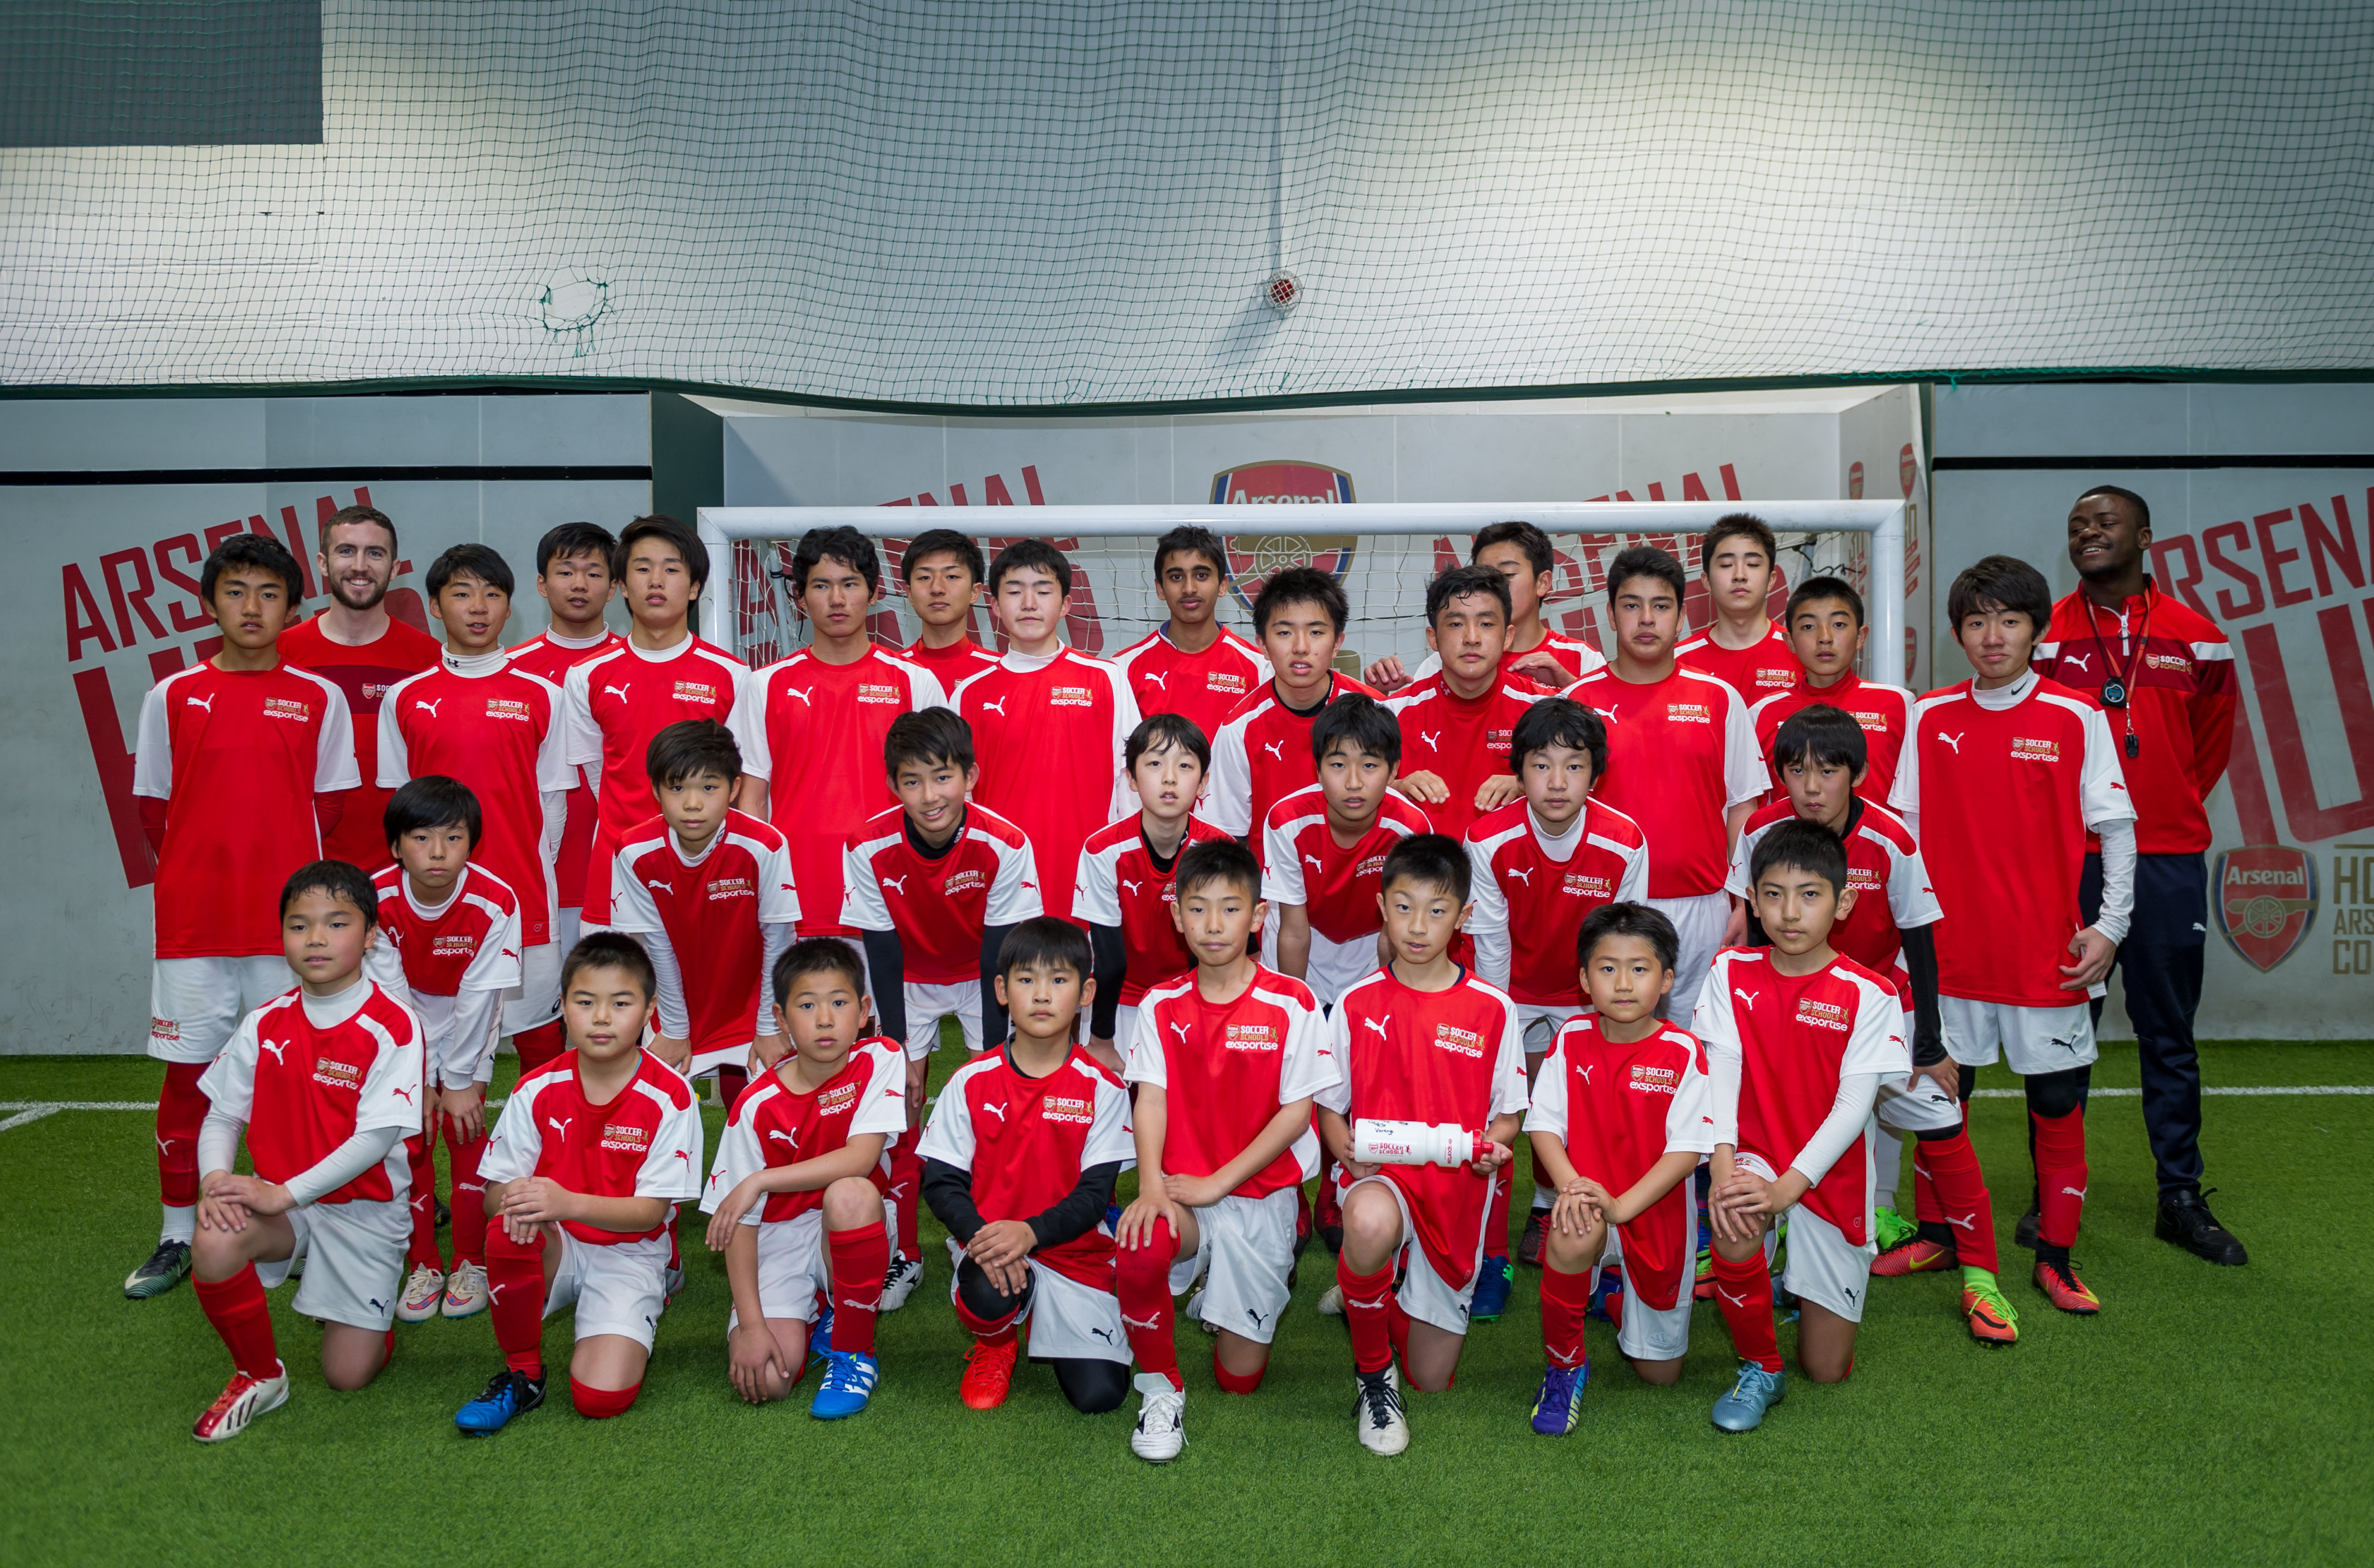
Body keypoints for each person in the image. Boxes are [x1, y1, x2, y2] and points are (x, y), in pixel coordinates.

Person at [1894, 555, 2136, 1315]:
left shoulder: (2076, 714)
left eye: (2008, 620)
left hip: (2045, 957)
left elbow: (2117, 828)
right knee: (1943, 1098)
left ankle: (2056, 1259)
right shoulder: (1929, 715)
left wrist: (2111, 925)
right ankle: (1937, 1234)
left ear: (2036, 630)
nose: (1992, 636)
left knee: (2056, 1101)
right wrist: (1903, 942)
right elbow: (1905, 835)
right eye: (1976, 621)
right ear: (1958, 633)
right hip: (1950, 956)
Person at [1728, 707, 2013, 1346]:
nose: (1811, 787)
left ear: (1856, 775)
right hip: (1793, 1009)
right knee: (1774, 1124)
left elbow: (1920, 937)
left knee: (1943, 1121)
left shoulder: (1892, 838)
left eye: (1828, 771)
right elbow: (1755, 931)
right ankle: (1767, 1257)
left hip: (1885, 1005)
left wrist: (1929, 1041)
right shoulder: (1759, 832)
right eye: (1796, 771)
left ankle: (1982, 1276)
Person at [127, 533, 361, 1300]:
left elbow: (330, 809)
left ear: (293, 607)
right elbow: (154, 811)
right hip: (194, 926)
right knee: (190, 1081)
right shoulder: (171, 694)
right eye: (235, 591)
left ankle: (297, 1227)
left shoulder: (319, 698)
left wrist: (291, 895)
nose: (252, 607)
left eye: (269, 593)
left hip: (289, 932)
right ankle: (177, 1232)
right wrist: (206, 873)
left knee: (292, 1083)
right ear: (209, 602)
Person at [2032, 484, 2246, 1266]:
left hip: (2165, 860)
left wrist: (2162, 808)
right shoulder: (2043, 639)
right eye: (2076, 524)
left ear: (2146, 536)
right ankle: (2050, 1194)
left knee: (2169, 1035)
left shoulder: (2200, 639)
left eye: (2105, 522)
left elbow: (2206, 751)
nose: (2087, 533)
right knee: (2061, 1034)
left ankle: (2179, 1197)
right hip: (2069, 863)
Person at [186, 861, 424, 1441]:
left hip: (364, 1211)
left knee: (347, 1376)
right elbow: (223, 1115)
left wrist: (282, 1193)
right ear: (283, 936)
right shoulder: (264, 1022)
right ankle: (260, 1375)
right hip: (285, 1206)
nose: (316, 938)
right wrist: (215, 1182)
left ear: (371, 936)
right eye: (299, 925)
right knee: (214, 1236)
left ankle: (365, 1311)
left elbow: (376, 1141)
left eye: (337, 924)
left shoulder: (394, 1025)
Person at [1113, 839, 1333, 1462]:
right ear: (1177, 916)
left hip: (1256, 1197)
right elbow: (1150, 1099)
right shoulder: (1160, 1004)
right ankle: (1161, 1390)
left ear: (1258, 916)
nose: (1213, 924)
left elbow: (1297, 1115)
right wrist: (1150, 1186)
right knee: (1140, 1245)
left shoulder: (1292, 1001)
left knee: (1239, 1379)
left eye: (1230, 908)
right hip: (1182, 1193)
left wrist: (1219, 1183)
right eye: (1198, 908)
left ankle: (1243, 1271)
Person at [1693, 818, 1909, 1432]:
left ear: (1843, 902)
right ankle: (1762, 1365)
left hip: (1829, 1175)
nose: (1790, 912)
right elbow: (1721, 1073)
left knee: (1826, 1368)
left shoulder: (1871, 993)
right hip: (1755, 1152)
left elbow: (1853, 1108)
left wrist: (1788, 1189)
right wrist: (1725, 1167)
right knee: (1735, 1216)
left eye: (1810, 894)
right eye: (1774, 894)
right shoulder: (1730, 971)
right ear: (1752, 900)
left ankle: (1793, 1281)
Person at [1318, 834, 1528, 1456]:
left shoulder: (1493, 1008)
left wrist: (1492, 1148)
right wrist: (1346, 1149)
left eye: (1437, 911)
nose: (1417, 926)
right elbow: (1330, 1106)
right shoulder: (1355, 1002)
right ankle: (1372, 1374)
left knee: (1431, 1377)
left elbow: (1509, 1114)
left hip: (1455, 1191)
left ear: (1464, 917)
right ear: (1382, 908)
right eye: (1403, 907)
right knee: (1367, 1219)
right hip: (1380, 1178)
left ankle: (1368, 1285)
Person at [453, 933, 704, 1434]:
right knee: (507, 1226)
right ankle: (523, 1374)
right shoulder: (535, 1088)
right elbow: (493, 1195)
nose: (602, 1017)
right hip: (556, 1241)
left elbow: (650, 1212)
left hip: (630, 1250)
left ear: (649, 1010)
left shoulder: (671, 1096)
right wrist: (521, 1201)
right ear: (563, 1007)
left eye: (621, 1003)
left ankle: (662, 1274)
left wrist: (564, 1201)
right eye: (586, 1002)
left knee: (600, 1398)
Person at [842, 707, 1042, 1304]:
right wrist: (898, 1051)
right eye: (913, 780)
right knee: (900, 1109)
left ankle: (981, 1236)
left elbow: (1000, 955)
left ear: (971, 776)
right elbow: (881, 952)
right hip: (907, 975)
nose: (930, 795)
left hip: (984, 976)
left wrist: (994, 1062)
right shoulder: (867, 844)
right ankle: (904, 1253)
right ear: (892, 784)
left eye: (943, 776)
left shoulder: (1006, 842)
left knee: (994, 1105)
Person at [917, 917, 1137, 1417]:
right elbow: (942, 1182)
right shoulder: (970, 1081)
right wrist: (988, 1240)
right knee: (986, 1289)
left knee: (1100, 1397)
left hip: (1074, 1256)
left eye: (1058, 980)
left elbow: (1094, 1197)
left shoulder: (1103, 1088)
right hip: (991, 1249)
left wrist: (1030, 1233)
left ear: (1086, 993)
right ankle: (996, 1343)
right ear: (1001, 991)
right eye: (1025, 979)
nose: (1041, 994)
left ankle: (1041, 1311)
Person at [379, 542, 572, 1091]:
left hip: (526, 893)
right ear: (435, 606)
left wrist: (528, 867)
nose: (479, 607)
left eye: (492, 594)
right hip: (435, 905)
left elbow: (552, 804)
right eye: (462, 594)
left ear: (510, 607)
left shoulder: (544, 695)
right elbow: (399, 811)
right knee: (432, 1050)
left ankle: (539, 1142)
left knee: (539, 1036)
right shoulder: (404, 698)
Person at [1465, 698, 1648, 1272]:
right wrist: (1499, 1026)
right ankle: (1482, 1227)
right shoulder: (1487, 839)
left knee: (1578, 1103)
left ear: (1596, 774)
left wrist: (1602, 1017)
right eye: (1541, 765)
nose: (1558, 782)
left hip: (1584, 992)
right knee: (1497, 1101)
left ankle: (1551, 1206)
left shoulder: (1625, 840)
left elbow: (1622, 945)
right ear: (1519, 771)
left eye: (1574, 766)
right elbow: (1491, 943)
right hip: (1509, 986)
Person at [1521, 903, 1715, 1435]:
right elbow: (1544, 1127)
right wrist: (1575, 1191)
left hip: (1656, 1216)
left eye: (1640, 968)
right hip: (1588, 1205)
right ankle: (1565, 1365)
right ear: (1586, 980)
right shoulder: (1571, 1038)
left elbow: (1685, 1153)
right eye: (1608, 968)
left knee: (1659, 1376)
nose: (1623, 983)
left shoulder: (1683, 1051)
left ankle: (1612, 1296)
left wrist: (1622, 1207)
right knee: (1570, 1231)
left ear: (1667, 980)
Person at [699, 938, 905, 1419]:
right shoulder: (756, 1105)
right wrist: (751, 1326)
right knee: (769, 1381)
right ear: (781, 1018)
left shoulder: (880, 1058)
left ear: (864, 1011)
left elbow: (860, 1159)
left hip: (853, 1220)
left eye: (840, 1003)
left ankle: (853, 1351)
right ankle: (820, 1305)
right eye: (807, 1006)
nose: (826, 1019)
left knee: (850, 1193)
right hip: (778, 1237)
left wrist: (761, 1180)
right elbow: (741, 1225)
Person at [732, 526, 948, 965]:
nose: (836, 599)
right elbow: (751, 801)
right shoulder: (763, 685)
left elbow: (942, 796)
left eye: (850, 584)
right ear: (799, 597)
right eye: (821, 586)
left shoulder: (915, 682)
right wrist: (759, 887)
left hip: (892, 890)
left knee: (890, 1012)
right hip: (795, 894)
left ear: (873, 593)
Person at [1560, 545, 1764, 1003]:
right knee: (1611, 1035)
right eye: (1632, 605)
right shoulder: (1577, 702)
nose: (1647, 619)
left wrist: (1742, 903)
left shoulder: (1720, 699)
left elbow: (1743, 809)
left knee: (1702, 1038)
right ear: (1611, 615)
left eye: (1661, 606)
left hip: (1705, 908)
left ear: (1681, 616)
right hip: (1606, 906)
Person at [367, 777, 523, 1324]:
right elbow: (391, 1000)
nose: (438, 852)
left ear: (472, 844)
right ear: (395, 846)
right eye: (421, 838)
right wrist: (418, 1078)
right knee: (409, 1140)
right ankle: (423, 1264)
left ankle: (469, 1261)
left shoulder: (497, 900)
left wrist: (457, 1082)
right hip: (399, 1028)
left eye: (453, 838)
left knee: (464, 1128)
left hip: (468, 1026)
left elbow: (479, 1001)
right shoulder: (374, 897)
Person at [561, 514, 749, 930]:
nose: (657, 581)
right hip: (616, 874)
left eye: (672, 569)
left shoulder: (733, 676)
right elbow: (597, 774)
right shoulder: (587, 675)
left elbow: (738, 784)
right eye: (643, 569)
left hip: (706, 875)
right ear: (624, 586)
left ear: (695, 587)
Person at [606, 722, 799, 1094]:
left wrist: (768, 1026)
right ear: (655, 790)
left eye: (709, 788)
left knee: (765, 1107)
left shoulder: (765, 845)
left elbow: (779, 941)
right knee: (656, 1105)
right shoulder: (634, 852)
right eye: (677, 788)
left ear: (734, 789)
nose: (692, 804)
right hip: (678, 1007)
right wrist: (676, 1029)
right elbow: (657, 945)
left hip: (757, 1004)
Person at [950, 540, 1139, 921]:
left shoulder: (1107, 679)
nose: (1029, 603)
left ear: (1066, 604)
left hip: (1088, 880)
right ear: (994, 605)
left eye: (1043, 590)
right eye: (1014, 591)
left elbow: (1131, 785)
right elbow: (958, 799)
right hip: (1001, 882)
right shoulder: (968, 694)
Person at [276, 504, 443, 874]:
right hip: (302, 867)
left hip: (403, 874)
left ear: (395, 569)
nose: (360, 566)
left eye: (375, 553)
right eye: (346, 551)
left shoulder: (429, 658)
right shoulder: (281, 653)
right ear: (323, 563)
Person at [1075, 713, 1234, 1071]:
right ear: (1131, 779)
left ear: (1204, 782)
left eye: (1185, 766)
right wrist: (1101, 1041)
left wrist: (1210, 1015)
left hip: (1196, 999)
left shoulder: (1220, 850)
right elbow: (1109, 960)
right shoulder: (1103, 851)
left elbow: (1230, 949)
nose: (1169, 777)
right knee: (1115, 1103)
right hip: (1117, 1005)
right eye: (1155, 763)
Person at [1264, 695, 1434, 1008]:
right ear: (1318, 769)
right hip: (1304, 940)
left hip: (1371, 946)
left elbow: (1393, 935)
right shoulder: (1287, 821)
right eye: (1338, 765)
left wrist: (1389, 1006)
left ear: (1394, 770)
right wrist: (1294, 1012)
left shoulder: (1411, 829)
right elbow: (1294, 933)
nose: (1353, 782)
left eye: (1369, 765)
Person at [504, 522, 623, 965]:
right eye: (566, 571)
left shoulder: (633, 664)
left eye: (593, 573)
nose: (579, 584)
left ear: (614, 587)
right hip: (531, 875)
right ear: (541, 584)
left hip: (617, 875)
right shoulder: (510, 670)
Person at [1206, 567, 1383, 855]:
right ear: (1262, 644)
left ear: (1337, 643)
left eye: (1316, 632)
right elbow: (1228, 838)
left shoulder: (1377, 711)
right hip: (1270, 882)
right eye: (1285, 633)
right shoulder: (1238, 729)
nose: (1301, 647)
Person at [1384, 564, 1547, 845]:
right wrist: (1395, 790)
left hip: (1514, 870)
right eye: (1456, 624)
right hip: (1422, 869)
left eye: (1486, 624)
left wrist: (1530, 785)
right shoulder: (1393, 713)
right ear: (1433, 638)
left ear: (1508, 636)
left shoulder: (1543, 709)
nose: (1472, 638)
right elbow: (1353, 794)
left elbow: (1581, 790)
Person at [1365, 520, 1607, 693]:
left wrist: (1568, 686)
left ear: (1543, 582)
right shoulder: (1444, 661)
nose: (1496, 585)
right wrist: (1383, 696)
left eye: (1507, 575)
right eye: (1486, 575)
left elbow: (1609, 731)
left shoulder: (1582, 658)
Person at [1747, 574, 1917, 807]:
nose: (1825, 638)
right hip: (1791, 833)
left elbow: (1916, 801)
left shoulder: (1899, 704)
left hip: (1875, 832)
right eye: (1809, 627)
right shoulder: (1762, 713)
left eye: (1839, 625)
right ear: (1790, 641)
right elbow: (1752, 804)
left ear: (1860, 637)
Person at [1111, 526, 1272, 739]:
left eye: (1201, 575)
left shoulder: (1261, 668)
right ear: (1160, 588)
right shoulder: (1122, 669)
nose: (1189, 588)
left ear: (1222, 585)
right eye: (1176, 577)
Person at [1675, 513, 1803, 705]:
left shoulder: (1802, 652)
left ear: (1771, 580)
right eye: (1726, 565)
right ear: (1706, 581)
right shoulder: (1677, 660)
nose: (1740, 575)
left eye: (1753, 564)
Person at [898, 528, 1003, 689]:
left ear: (975, 592)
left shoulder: (1000, 671)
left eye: (952, 576)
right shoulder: (890, 671)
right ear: (910, 594)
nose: (937, 588)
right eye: (925, 577)